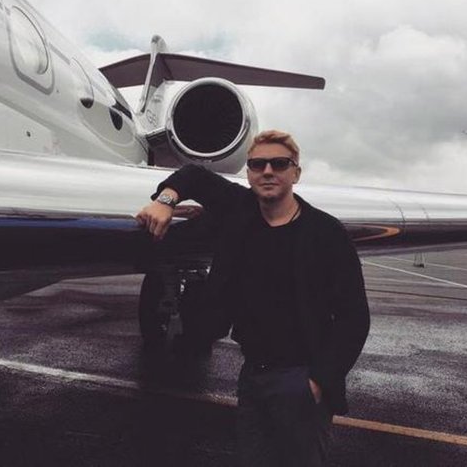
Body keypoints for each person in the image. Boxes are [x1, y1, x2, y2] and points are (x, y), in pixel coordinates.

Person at [135, 130, 370, 466]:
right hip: (252, 376)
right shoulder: (241, 209)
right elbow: (194, 176)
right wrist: (165, 200)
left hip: (301, 379)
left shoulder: (326, 233)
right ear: (248, 173)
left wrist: (319, 381)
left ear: (296, 173)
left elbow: (354, 317)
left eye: (279, 164)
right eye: (258, 165)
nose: (268, 171)